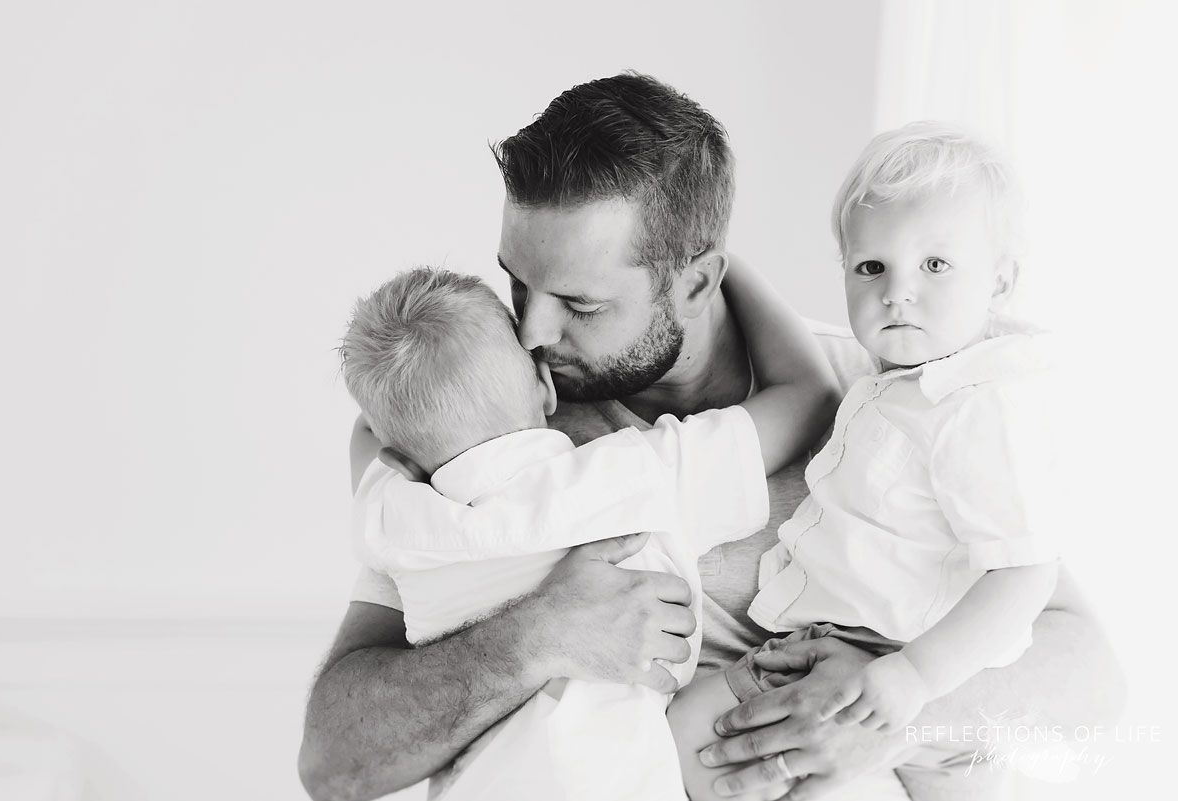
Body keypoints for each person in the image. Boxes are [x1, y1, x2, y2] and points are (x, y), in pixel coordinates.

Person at [298, 73, 1125, 801]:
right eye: (518, 284)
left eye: (580, 304)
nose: (533, 332)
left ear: (697, 279)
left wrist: (884, 717)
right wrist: (533, 635)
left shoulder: (892, 399)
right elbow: (334, 764)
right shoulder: (497, 441)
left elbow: (1090, 679)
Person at [668, 122, 1064, 801]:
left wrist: (917, 677)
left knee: (701, 736)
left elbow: (1025, 572)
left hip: (907, 667)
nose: (896, 291)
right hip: (835, 645)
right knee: (692, 735)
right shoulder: (886, 381)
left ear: (1001, 281)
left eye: (935, 265)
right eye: (870, 267)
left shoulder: (976, 407)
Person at [339, 260, 834, 800]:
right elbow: (807, 396)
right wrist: (731, 271)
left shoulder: (396, 512)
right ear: (547, 390)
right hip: (614, 778)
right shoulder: (624, 478)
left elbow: (369, 441)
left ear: (397, 461)